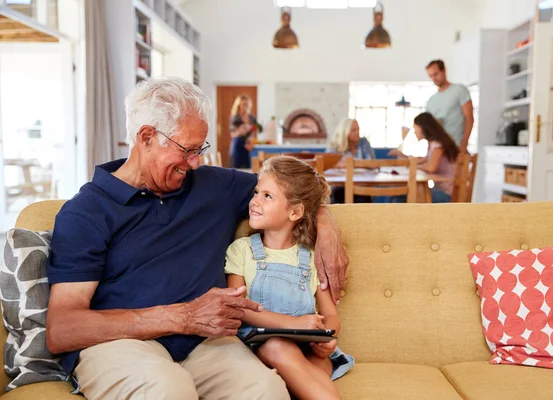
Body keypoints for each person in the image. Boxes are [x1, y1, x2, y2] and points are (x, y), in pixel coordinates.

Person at [46, 78, 349, 400]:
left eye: (199, 149)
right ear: (147, 136)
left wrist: (325, 225)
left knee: (265, 389)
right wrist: (184, 316)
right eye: (187, 150)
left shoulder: (214, 185)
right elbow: (62, 329)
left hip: (208, 342)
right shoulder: (86, 212)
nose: (196, 163)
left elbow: (296, 192)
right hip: (122, 344)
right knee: (165, 389)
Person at [225, 156, 354, 400]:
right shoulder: (242, 250)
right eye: (256, 192)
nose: (254, 201)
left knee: (319, 366)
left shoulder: (311, 257)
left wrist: (328, 337)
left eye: (267, 196)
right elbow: (238, 308)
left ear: (295, 211)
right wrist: (291, 323)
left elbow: (330, 314)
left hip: (307, 349)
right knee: (278, 347)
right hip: (260, 346)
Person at [425, 59, 474, 153]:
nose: (434, 78)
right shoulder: (431, 101)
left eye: (436, 74)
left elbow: (469, 118)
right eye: (431, 76)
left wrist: (464, 144)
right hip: (437, 152)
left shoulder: (459, 90)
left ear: (444, 70)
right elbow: (428, 128)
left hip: (457, 149)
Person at [327, 118, 375, 203]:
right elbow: (328, 165)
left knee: (362, 195)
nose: (357, 133)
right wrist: (359, 164)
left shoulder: (363, 142)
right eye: (353, 130)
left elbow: (372, 163)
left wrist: (349, 164)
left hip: (362, 185)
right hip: (340, 187)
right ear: (345, 132)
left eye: (358, 129)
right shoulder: (334, 145)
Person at [413, 112, 458, 203]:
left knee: (408, 194)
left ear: (423, 128)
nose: (414, 131)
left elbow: (431, 167)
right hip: (444, 190)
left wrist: (414, 167)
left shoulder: (437, 145)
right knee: (401, 196)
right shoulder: (435, 144)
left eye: (415, 128)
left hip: (446, 193)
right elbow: (425, 161)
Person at [229, 95, 261, 168]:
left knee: (248, 169)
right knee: (236, 170)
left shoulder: (252, 117)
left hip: (249, 146)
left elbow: (255, 130)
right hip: (238, 146)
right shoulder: (235, 117)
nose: (247, 106)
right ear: (239, 105)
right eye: (244, 104)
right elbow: (233, 134)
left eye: (248, 104)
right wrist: (240, 131)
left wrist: (250, 140)